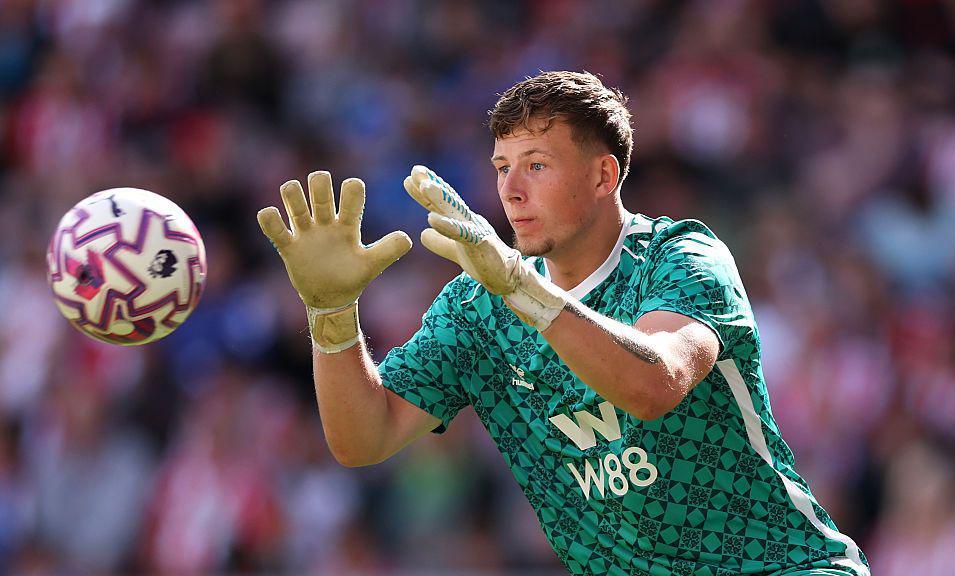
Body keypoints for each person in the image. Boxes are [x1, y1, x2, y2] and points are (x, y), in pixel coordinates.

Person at [257, 71, 870, 576]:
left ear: (604, 175)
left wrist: (522, 290)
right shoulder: (478, 306)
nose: (511, 190)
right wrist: (331, 314)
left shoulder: (680, 257)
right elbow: (364, 438)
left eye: (537, 165)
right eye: (501, 167)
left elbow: (653, 386)